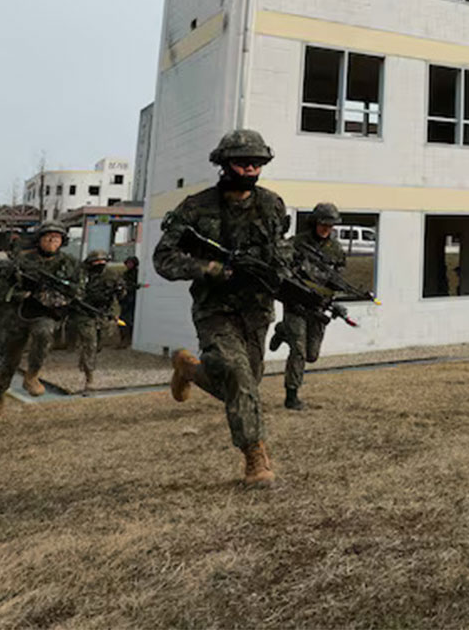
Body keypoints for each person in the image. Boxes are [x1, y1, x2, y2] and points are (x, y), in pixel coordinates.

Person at [153, 129, 290, 487]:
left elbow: (281, 249)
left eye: (257, 162)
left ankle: (188, 368)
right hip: (215, 308)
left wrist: (284, 274)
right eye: (242, 162)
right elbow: (163, 258)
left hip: (256, 310)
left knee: (246, 384)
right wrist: (210, 270)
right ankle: (255, 457)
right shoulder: (196, 208)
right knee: (237, 374)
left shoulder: (273, 205)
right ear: (223, 164)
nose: (250, 168)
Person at [0, 222, 81, 417]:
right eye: (47, 237)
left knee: (44, 332)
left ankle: (32, 375)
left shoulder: (69, 263)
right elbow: (0, 287)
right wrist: (20, 294)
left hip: (46, 313)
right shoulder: (23, 261)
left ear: (62, 241)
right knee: (9, 362)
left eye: (56, 238)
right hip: (19, 314)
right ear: (39, 240)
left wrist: (57, 299)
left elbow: (77, 290)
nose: (51, 240)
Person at [270, 201, 347, 411]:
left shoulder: (336, 249)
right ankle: (291, 396)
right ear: (314, 222)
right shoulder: (297, 243)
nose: (326, 229)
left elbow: (337, 278)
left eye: (330, 225)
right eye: (323, 224)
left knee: (312, 355)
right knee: (299, 352)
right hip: (295, 303)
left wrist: (335, 302)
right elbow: (282, 269)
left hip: (318, 307)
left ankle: (282, 330)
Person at [68, 250, 124, 394]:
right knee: (90, 343)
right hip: (84, 313)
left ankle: (85, 361)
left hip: (102, 312)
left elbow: (119, 296)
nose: (99, 264)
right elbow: (75, 292)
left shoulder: (111, 274)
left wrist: (119, 290)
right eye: (96, 262)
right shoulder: (82, 274)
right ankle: (89, 378)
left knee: (99, 343)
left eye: (102, 262)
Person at [118, 256, 140, 346]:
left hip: (133, 300)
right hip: (125, 300)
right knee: (122, 320)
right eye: (127, 263)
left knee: (130, 320)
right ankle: (124, 338)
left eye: (131, 263)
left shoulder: (138, 275)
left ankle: (129, 339)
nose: (128, 265)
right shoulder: (125, 274)